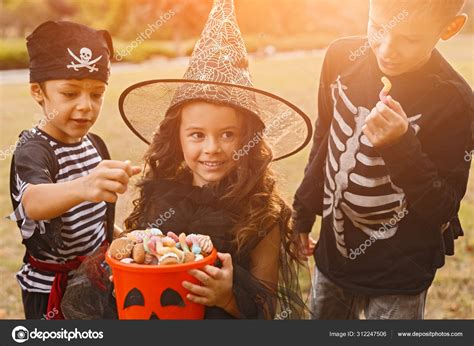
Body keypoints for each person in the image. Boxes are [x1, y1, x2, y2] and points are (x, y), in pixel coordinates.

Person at [120, 0, 312, 319]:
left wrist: (227, 299)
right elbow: (139, 256)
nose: (212, 148)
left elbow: (266, 311)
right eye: (197, 135)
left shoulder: (261, 212)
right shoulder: (161, 193)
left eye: (227, 135)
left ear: (247, 140)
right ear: (176, 137)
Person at [293, 0, 473, 319]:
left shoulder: (456, 101)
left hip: (400, 273)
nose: (387, 49)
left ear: (450, 28)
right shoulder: (340, 58)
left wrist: (400, 144)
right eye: (378, 28)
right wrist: (303, 212)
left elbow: (443, 206)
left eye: (409, 39)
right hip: (334, 257)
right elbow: (325, 136)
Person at [8, 20, 140, 319]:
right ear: (38, 92)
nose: (86, 106)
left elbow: (95, 226)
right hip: (53, 289)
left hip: (97, 277)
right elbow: (34, 203)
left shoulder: (94, 144)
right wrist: (84, 186)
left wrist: (128, 238)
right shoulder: (34, 149)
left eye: (96, 94)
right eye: (69, 94)